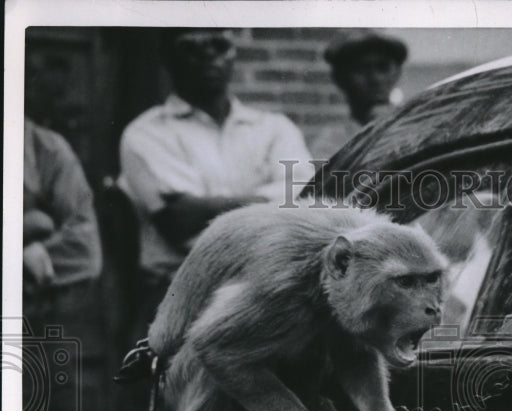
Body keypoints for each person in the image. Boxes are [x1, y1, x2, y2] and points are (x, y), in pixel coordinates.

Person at [118, 28, 313, 334]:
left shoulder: (275, 129)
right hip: (182, 296)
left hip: (270, 294)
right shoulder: (145, 133)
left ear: (234, 52)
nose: (209, 54)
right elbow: (178, 221)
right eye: (191, 46)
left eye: (219, 44)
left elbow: (305, 202)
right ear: (167, 58)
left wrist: (207, 206)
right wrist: (270, 202)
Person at [22, 118, 105, 411]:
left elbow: (83, 252)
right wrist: (28, 231)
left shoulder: (44, 148)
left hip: (33, 335)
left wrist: (36, 248)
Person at [311, 29, 408, 161]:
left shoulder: (413, 126)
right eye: (362, 68)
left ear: (397, 73)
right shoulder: (330, 144)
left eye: (383, 68)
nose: (375, 79)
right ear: (340, 78)